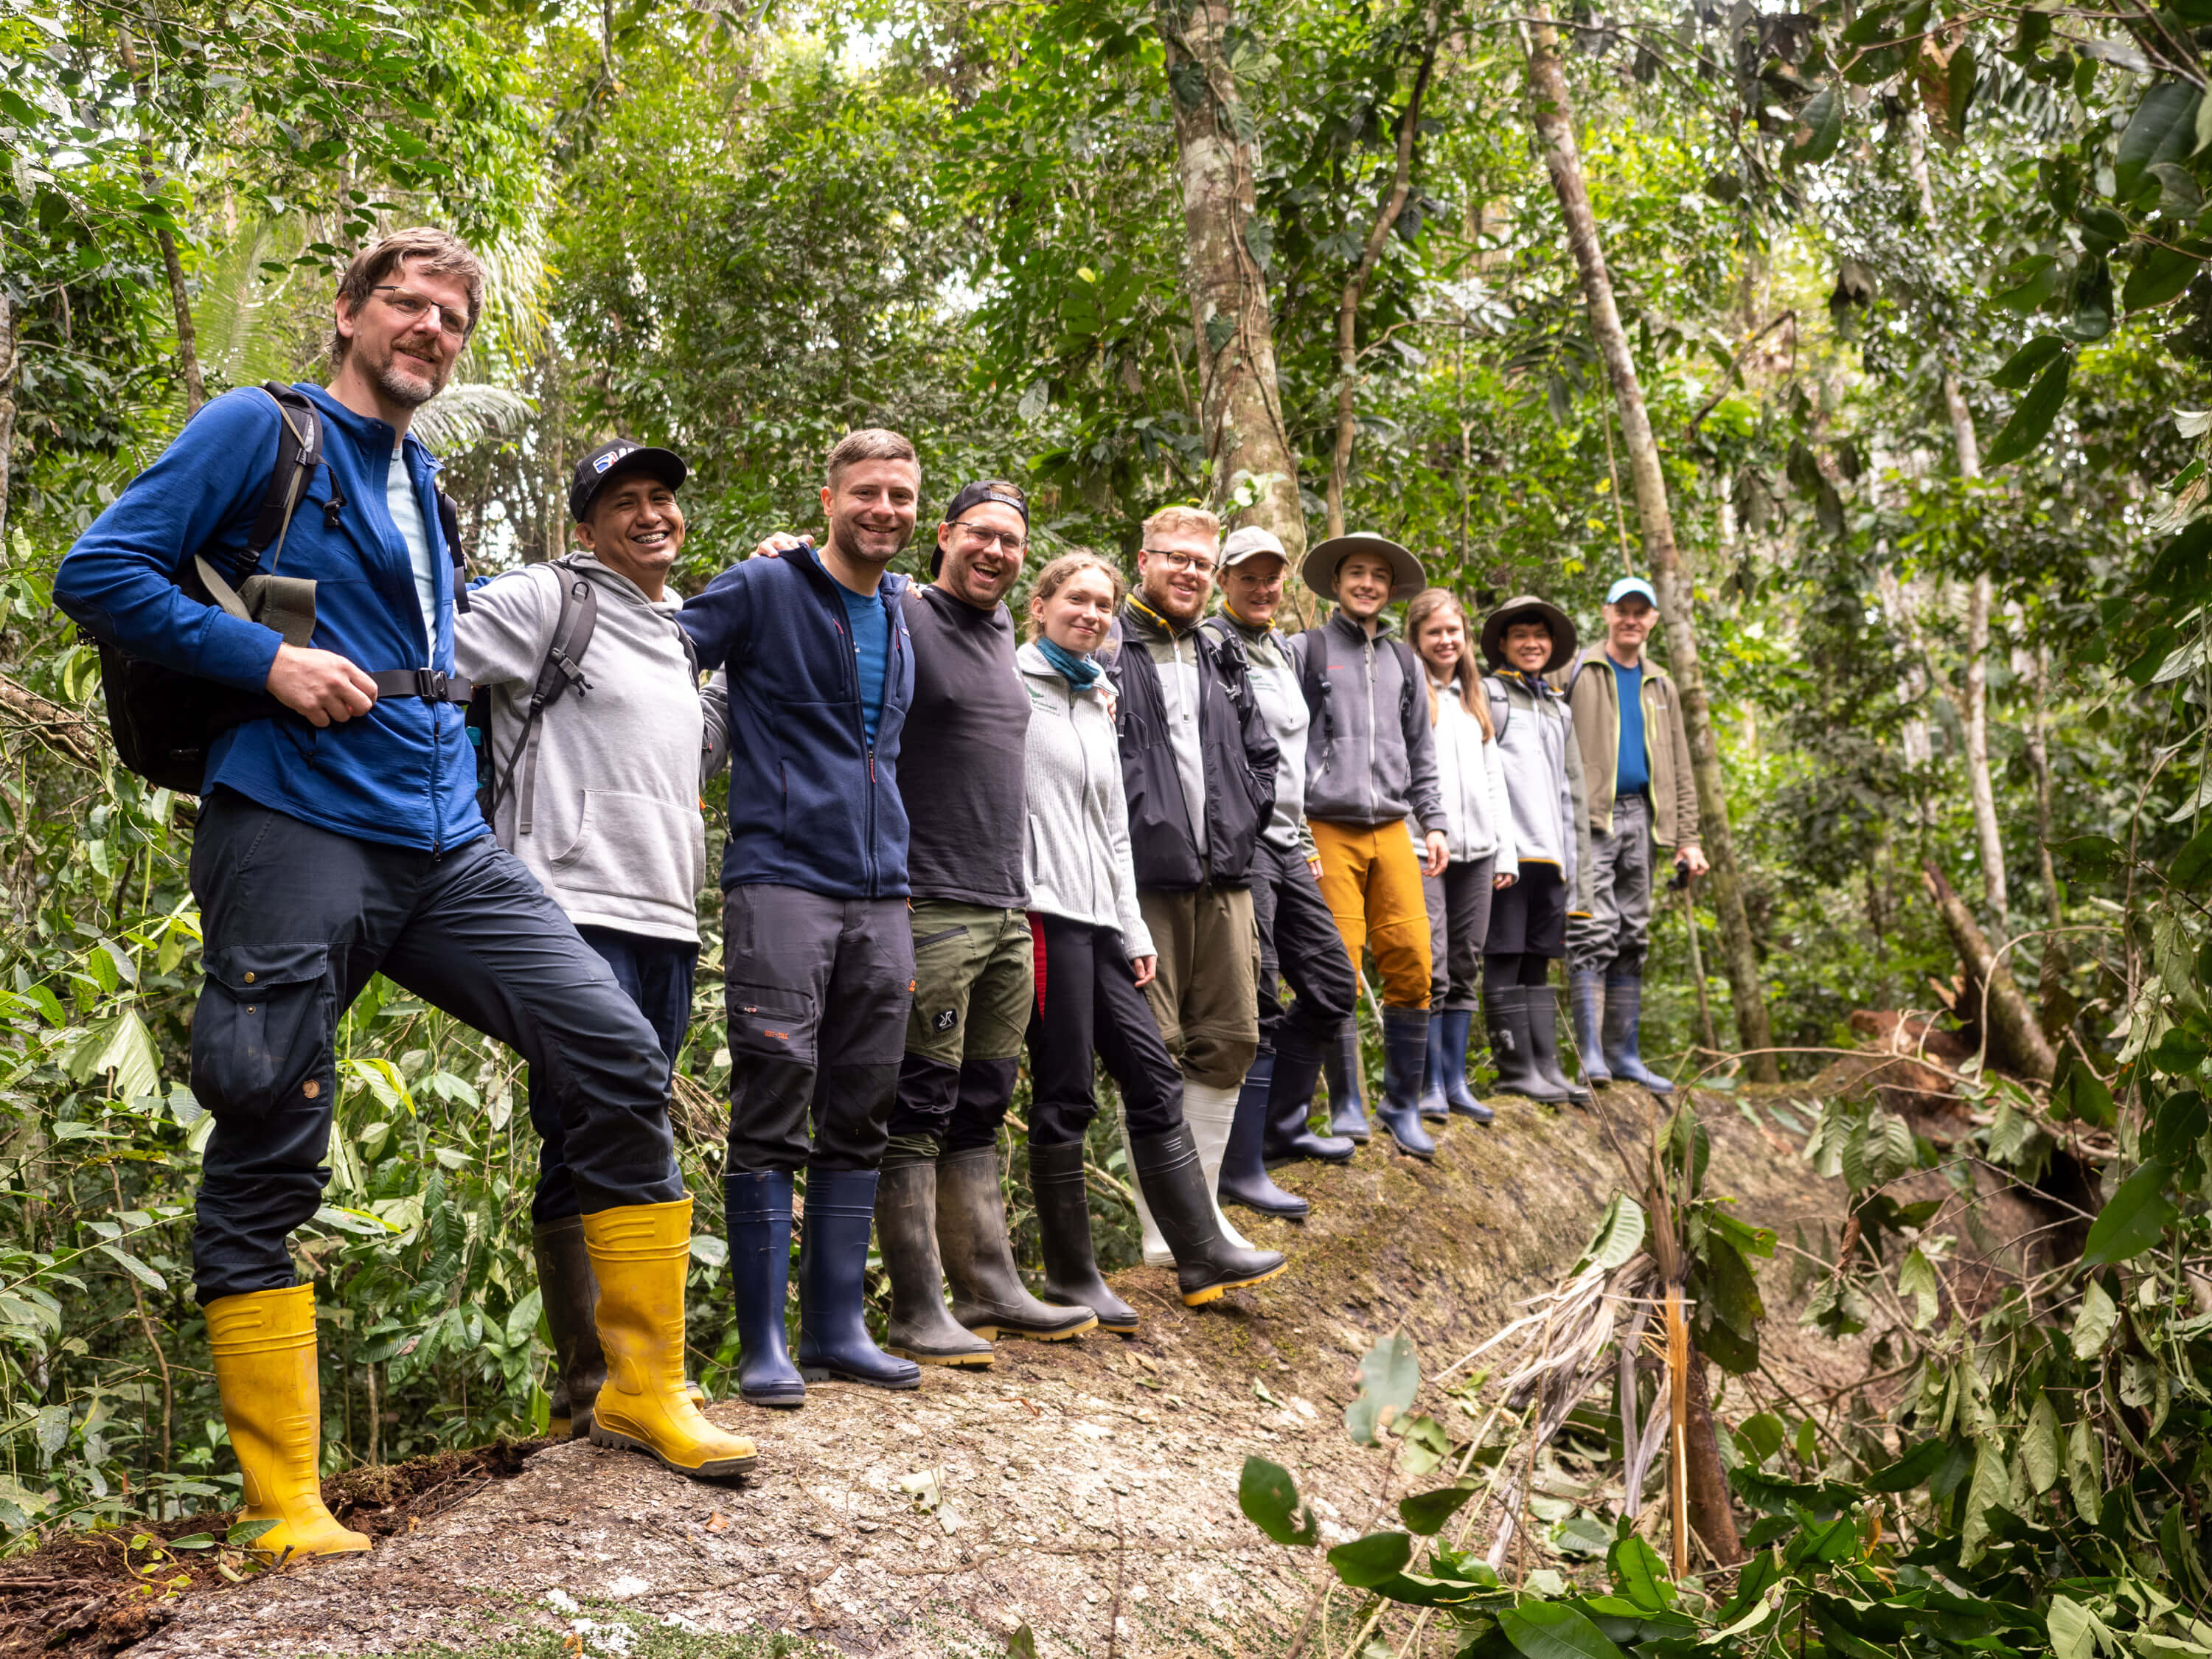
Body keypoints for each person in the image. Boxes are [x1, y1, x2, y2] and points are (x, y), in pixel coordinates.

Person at [57, 230, 754, 1558]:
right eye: (407, 305)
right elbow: (99, 571)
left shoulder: (422, 478)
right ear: (348, 313)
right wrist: (266, 662)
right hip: (295, 824)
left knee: (613, 1050)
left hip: (443, 841)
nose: (431, 329)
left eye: (452, 315)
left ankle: (641, 1391)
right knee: (271, 1113)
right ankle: (284, 1502)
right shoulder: (258, 429)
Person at [454, 437, 717, 1441]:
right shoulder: (546, 599)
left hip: (667, 913)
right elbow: (434, 659)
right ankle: (593, 1386)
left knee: (626, 1113)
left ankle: (621, 1384)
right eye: (627, 502)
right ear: (586, 524)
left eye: (663, 500)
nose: (652, 514)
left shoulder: (677, 634)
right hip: (567, 904)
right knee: (587, 1122)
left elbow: (683, 750)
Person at [680, 428, 924, 1408]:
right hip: (781, 876)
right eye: (867, 492)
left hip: (883, 887)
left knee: (862, 1102)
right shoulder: (764, 587)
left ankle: (837, 1328)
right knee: (776, 1091)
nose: (885, 511)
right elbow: (655, 653)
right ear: (828, 499)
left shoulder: (909, 610)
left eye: (902, 496)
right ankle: (764, 1344)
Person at [1020, 553, 1285, 1314]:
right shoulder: (1013, 686)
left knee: (1153, 1073)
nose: (1093, 614)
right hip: (1043, 915)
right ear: (1039, 606)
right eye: (1076, 599)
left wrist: (1131, 928)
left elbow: (1112, 829)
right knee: (1066, 1092)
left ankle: (1200, 1252)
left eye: (1104, 604)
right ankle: (1072, 1274)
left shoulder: (1096, 695)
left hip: (1103, 918)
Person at [875, 481, 1092, 1364]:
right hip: (932, 899)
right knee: (918, 1101)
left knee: (984, 1097)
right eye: (980, 536)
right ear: (944, 537)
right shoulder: (905, 608)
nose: (996, 553)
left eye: (1011, 541)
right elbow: (832, 582)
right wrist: (783, 549)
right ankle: (917, 1304)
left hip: (1007, 903)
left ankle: (990, 1283)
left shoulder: (1003, 630)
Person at [1106, 505, 1281, 1266]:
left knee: (1232, 1039)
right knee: (1154, 1049)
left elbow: (1260, 756)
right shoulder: (1111, 643)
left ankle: (1202, 1215)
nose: (1188, 572)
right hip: (1145, 881)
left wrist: (1241, 825)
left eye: (1201, 563)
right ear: (1142, 560)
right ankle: (1164, 1231)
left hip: (1226, 877)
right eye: (1173, 557)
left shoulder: (1220, 652)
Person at [1205, 528, 1360, 1217]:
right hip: (1244, 845)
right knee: (1257, 998)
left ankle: (1284, 1128)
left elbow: (1292, 756)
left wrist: (1302, 838)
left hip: (1291, 843)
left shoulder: (1281, 648)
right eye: (1248, 576)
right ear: (1223, 579)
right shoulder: (1212, 646)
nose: (1262, 588)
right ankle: (1242, 1168)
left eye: (1272, 577)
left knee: (1331, 985)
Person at [1292, 534, 1449, 1160]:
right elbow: (1283, 738)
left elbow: (1421, 751)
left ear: (1390, 590)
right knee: (1339, 962)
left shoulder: (1405, 662)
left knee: (1413, 957)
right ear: (1337, 582)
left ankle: (1402, 1104)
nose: (1367, 584)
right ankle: (1347, 1102)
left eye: (1379, 577)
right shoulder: (1307, 650)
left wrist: (1433, 823)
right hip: (1326, 822)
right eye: (1356, 573)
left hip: (1391, 826)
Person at [1560, 576, 1705, 1094]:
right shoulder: (1576, 667)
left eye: (1641, 612)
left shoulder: (1660, 683)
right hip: (1591, 821)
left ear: (1652, 621)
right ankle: (1592, 1056)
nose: (1632, 619)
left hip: (1642, 820)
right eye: (1624, 609)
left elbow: (1680, 767)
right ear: (1607, 613)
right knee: (1590, 929)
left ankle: (1624, 1054)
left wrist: (1688, 837)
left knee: (1632, 932)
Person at [1404, 588, 1517, 1124]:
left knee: (1465, 963)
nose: (1446, 641)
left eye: (1454, 632)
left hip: (1481, 851)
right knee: (1432, 965)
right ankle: (1425, 1083)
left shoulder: (1478, 698)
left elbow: (1494, 780)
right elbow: (1399, 773)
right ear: (1418, 639)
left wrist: (1506, 851)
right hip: (1424, 849)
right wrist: (1416, 833)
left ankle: (1455, 1082)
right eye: (1435, 633)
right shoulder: (1409, 691)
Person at [1477, 596, 1594, 1105]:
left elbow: (1572, 791)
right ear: (1503, 643)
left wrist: (1578, 868)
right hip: (1509, 853)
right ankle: (1514, 1067)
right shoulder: (1487, 695)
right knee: (1503, 953)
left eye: (1540, 637)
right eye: (1520, 635)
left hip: (1551, 856)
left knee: (1539, 959)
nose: (1531, 644)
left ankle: (1544, 1064)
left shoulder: (1558, 709)